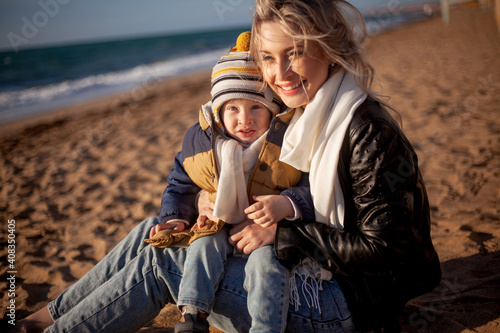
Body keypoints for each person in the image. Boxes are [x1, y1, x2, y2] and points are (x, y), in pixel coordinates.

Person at [14, 1, 441, 332]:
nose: (280, 74)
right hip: (319, 272)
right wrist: (194, 208)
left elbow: (390, 252)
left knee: (161, 263)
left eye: (295, 53)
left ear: (330, 48)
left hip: (343, 304)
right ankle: (40, 319)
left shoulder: (365, 130)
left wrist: (285, 230)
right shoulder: (309, 118)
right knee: (148, 234)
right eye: (269, 59)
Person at [144, 31, 313, 333]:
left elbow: (310, 183)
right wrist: (175, 218)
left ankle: (266, 327)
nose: (244, 119)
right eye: (233, 108)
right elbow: (180, 183)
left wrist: (287, 203)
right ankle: (192, 315)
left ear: (273, 110)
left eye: (256, 108)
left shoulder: (287, 143)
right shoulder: (205, 147)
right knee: (203, 242)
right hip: (219, 223)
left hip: (262, 230)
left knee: (267, 266)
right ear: (219, 114)